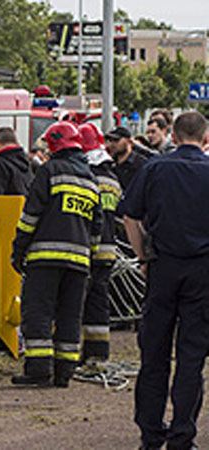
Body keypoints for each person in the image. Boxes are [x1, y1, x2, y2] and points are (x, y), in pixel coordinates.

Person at [120, 111, 209, 450]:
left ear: (172, 135)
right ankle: (182, 437)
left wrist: (142, 257)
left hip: (162, 268)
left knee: (153, 355)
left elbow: (130, 215)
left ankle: (151, 434)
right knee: (191, 357)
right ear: (205, 139)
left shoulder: (154, 168)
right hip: (202, 273)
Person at [11, 121, 102, 388]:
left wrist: (18, 250)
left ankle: (38, 370)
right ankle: (64, 373)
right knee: (70, 316)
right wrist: (89, 258)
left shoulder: (49, 171)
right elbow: (96, 228)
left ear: (54, 146)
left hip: (45, 259)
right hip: (79, 265)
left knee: (38, 312)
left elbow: (31, 216)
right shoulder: (91, 179)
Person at [78, 123, 122, 364]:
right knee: (98, 302)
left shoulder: (87, 179)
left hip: (87, 249)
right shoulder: (113, 180)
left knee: (75, 302)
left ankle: (72, 354)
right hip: (108, 250)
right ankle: (98, 353)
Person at [104, 126, 149, 191]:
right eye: (110, 140)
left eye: (116, 140)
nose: (112, 144)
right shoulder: (109, 164)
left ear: (129, 141)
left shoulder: (141, 164)